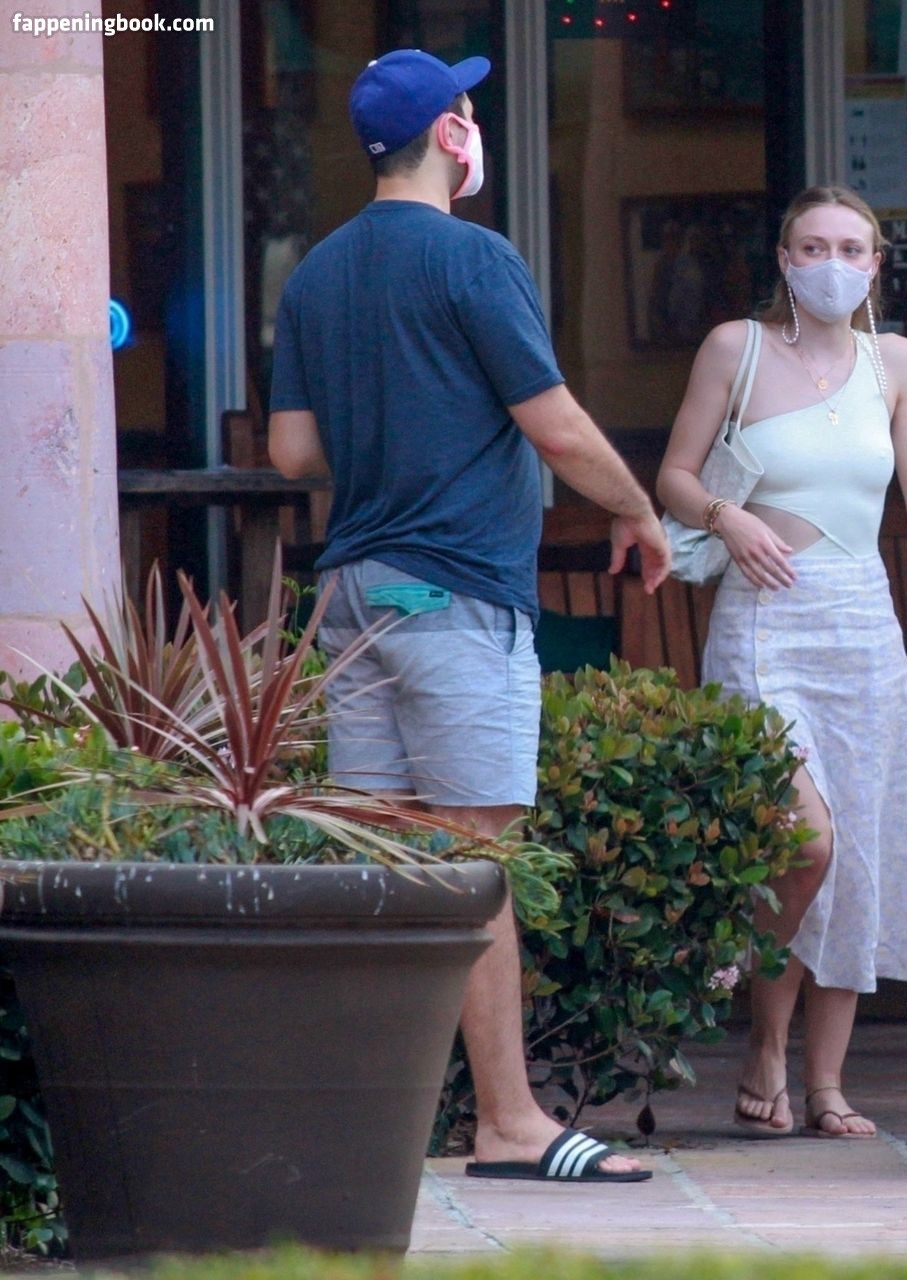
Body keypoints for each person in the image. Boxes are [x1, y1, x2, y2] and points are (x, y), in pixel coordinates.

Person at [267, 49, 669, 1183]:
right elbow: (556, 427)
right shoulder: (475, 258)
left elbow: (292, 452)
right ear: (450, 136)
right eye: (471, 112)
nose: (476, 126)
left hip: (355, 595)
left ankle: (374, 1124)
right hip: (453, 593)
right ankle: (509, 1121)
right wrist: (639, 510)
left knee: (391, 862)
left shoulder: (314, 274)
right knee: (475, 863)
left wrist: (392, 423)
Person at [657, 186, 907, 1139]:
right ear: (784, 258)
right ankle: (763, 1037)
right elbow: (674, 476)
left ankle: (827, 1083)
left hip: (863, 626)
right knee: (806, 842)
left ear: (876, 264)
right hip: (764, 621)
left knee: (861, 846)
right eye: (813, 246)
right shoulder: (736, 347)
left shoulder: (897, 363)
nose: (832, 263)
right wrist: (728, 516)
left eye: (851, 248)